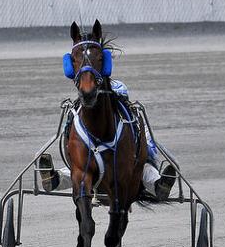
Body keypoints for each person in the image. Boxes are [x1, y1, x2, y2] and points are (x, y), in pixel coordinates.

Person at [37, 78, 177, 200]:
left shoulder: (136, 122)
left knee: (145, 168)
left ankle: (160, 187)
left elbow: (150, 148)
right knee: (80, 168)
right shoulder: (92, 123)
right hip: (97, 170)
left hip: (127, 171)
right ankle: (52, 180)